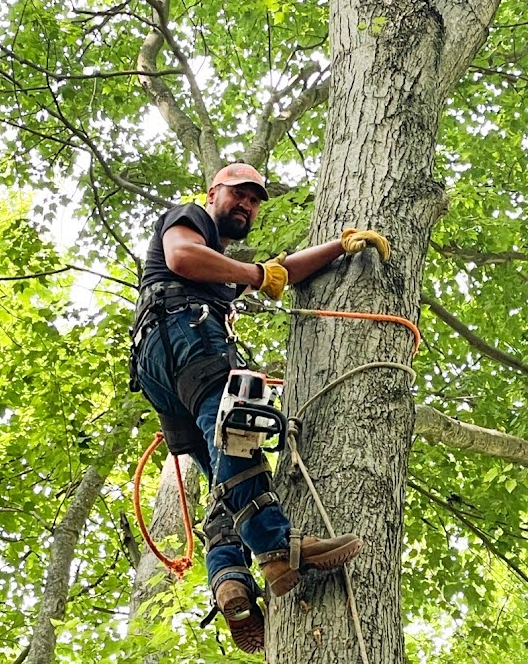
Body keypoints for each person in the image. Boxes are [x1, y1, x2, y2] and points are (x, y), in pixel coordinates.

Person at [130, 162, 390, 653]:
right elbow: (184, 257)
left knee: (225, 475)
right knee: (241, 430)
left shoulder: (221, 270)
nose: (246, 205)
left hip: (161, 363)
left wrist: (341, 244)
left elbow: (281, 273)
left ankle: (230, 577)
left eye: (254, 200)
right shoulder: (190, 220)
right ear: (213, 193)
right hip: (187, 334)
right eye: (238, 194)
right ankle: (276, 547)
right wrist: (255, 273)